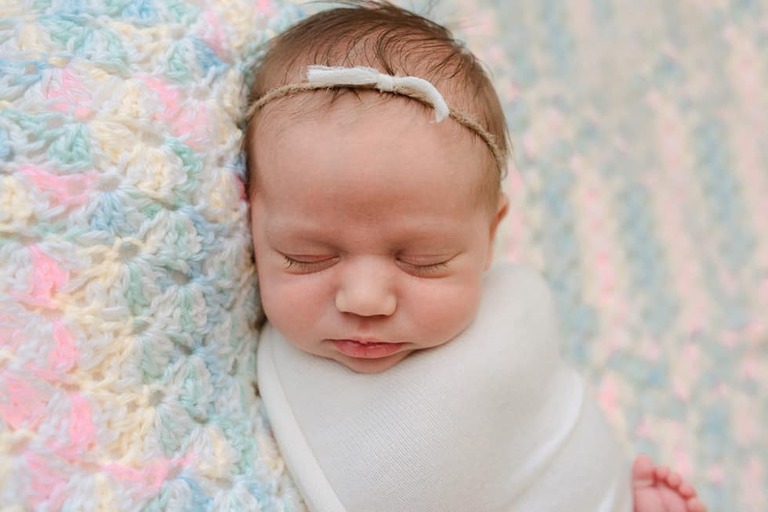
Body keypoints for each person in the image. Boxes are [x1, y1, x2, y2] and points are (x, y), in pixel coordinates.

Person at [244, 2, 707, 511]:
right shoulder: (258, 387)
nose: (366, 300)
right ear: (248, 222)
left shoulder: (510, 320)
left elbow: (541, 441)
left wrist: (613, 493)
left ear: (490, 236)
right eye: (306, 257)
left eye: (424, 260)